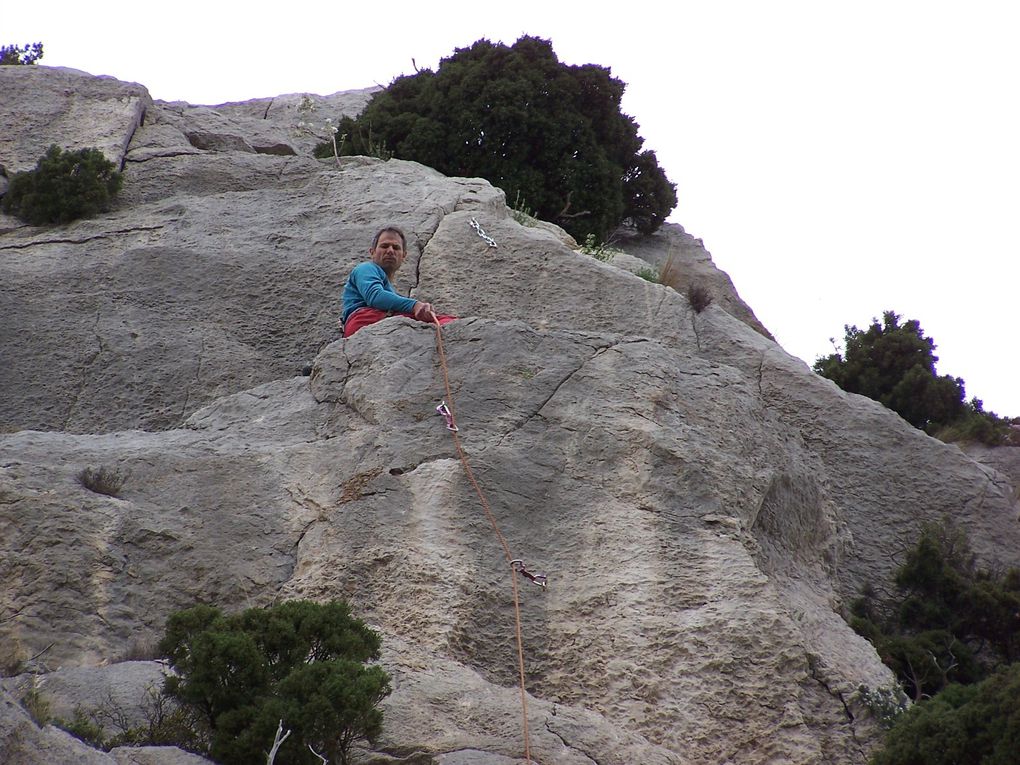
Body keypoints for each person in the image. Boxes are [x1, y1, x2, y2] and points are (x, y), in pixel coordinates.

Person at [341, 226, 456, 337]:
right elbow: (375, 296)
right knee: (446, 323)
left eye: (396, 247)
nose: (390, 251)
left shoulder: (389, 291)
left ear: (404, 256)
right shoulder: (365, 268)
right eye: (384, 246)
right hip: (366, 319)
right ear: (372, 252)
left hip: (372, 322)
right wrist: (414, 305)